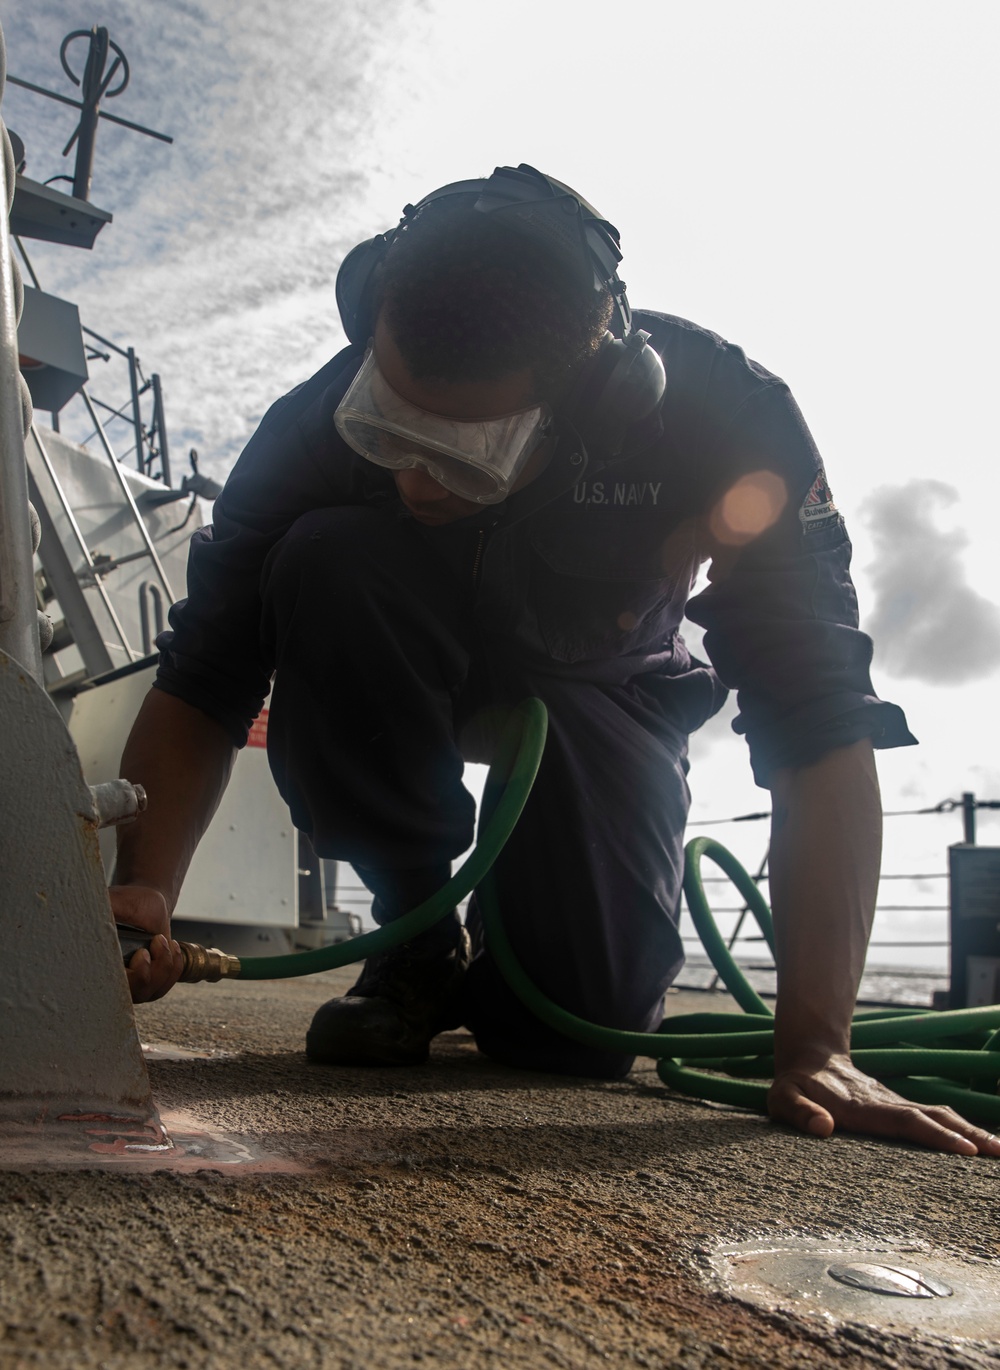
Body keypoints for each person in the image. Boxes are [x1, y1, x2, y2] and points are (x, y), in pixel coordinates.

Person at [112, 164, 999, 1156]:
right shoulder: (311, 422)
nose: (413, 480)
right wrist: (141, 894)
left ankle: (520, 957)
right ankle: (413, 937)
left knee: (567, 1033)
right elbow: (206, 674)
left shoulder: (728, 425)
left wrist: (817, 1043)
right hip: (390, 648)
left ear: (593, 405)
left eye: (464, 453)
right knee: (325, 558)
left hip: (602, 690)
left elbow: (817, 715)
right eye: (391, 430)